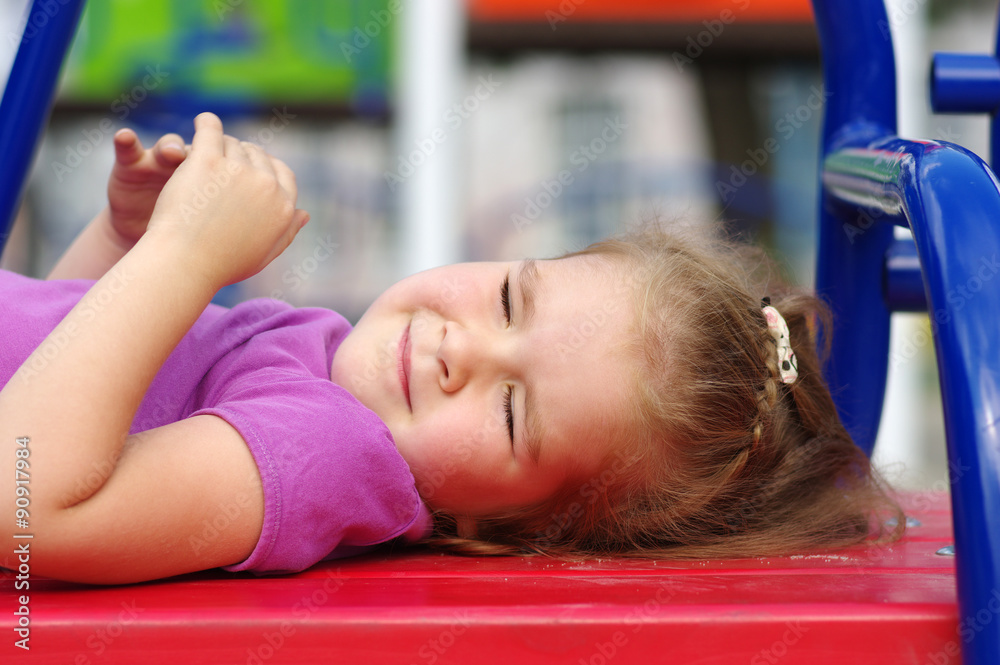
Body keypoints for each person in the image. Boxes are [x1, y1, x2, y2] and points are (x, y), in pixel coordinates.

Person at [0, 113, 900, 585]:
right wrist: (122, 253)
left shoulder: (326, 454)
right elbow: (51, 369)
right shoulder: (325, 370)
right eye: (511, 296)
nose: (458, 351)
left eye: (512, 411)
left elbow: (30, 503)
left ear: (497, 531)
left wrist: (179, 259)